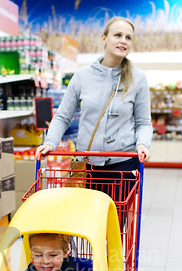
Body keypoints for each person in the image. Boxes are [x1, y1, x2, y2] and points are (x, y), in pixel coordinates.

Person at [36, 17, 152, 178]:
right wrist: (50, 142)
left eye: (128, 37)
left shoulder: (138, 78)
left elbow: (143, 123)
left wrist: (142, 144)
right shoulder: (82, 76)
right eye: (117, 35)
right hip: (86, 162)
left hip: (123, 163)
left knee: (117, 205)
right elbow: (62, 116)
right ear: (104, 38)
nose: (123, 41)